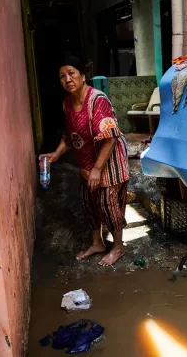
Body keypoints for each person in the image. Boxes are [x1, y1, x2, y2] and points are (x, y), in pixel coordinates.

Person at [39, 57, 129, 266]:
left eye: (71, 73)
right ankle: (97, 243)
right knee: (89, 202)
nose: (67, 79)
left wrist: (97, 169)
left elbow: (111, 137)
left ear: (82, 75)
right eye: (62, 76)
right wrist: (56, 155)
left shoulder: (98, 100)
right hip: (87, 162)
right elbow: (70, 135)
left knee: (109, 203)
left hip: (108, 161)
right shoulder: (67, 104)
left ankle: (117, 246)